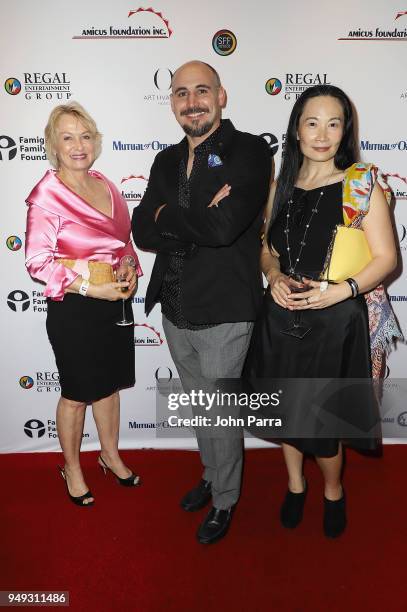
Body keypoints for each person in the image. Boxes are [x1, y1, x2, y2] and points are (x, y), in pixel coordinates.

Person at [243, 84, 402, 537]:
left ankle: (333, 490)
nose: (322, 133)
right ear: (296, 130)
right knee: (287, 413)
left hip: (336, 321)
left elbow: (387, 259)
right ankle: (295, 485)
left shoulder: (360, 184)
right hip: (281, 315)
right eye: (312, 122)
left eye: (334, 123)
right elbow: (266, 251)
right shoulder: (279, 188)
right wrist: (273, 276)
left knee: (325, 419)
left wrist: (342, 291)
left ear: (345, 129)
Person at [132, 60, 271, 543]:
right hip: (173, 305)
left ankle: (227, 500)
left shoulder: (250, 151)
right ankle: (211, 476)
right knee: (198, 406)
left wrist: (168, 215)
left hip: (224, 310)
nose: (192, 102)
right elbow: (141, 229)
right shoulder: (165, 160)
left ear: (221, 95)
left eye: (202, 91)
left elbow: (224, 228)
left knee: (218, 410)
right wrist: (184, 216)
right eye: (181, 93)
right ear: (171, 101)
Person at [25, 102, 143, 507]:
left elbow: (122, 243)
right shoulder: (47, 195)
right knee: (77, 393)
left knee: (109, 387)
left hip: (114, 303)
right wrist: (92, 289)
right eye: (68, 137)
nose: (79, 145)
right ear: (54, 146)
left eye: (85, 135)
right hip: (74, 308)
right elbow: (37, 261)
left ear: (96, 141)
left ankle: (109, 454)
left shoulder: (106, 184)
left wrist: (128, 266)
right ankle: (72, 466)